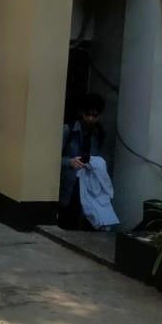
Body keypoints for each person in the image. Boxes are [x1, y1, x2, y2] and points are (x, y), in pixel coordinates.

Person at [60, 93, 106, 230]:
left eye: (94, 115)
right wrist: (69, 162)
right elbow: (51, 158)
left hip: (88, 185)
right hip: (68, 184)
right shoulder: (68, 130)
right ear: (81, 113)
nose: (90, 118)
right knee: (67, 219)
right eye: (88, 114)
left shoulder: (98, 134)